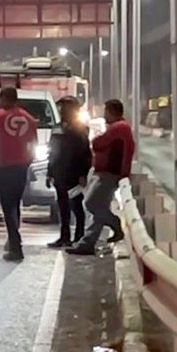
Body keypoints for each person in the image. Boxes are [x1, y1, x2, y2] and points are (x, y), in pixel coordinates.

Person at [67, 99, 135, 256]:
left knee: (91, 203)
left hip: (109, 173)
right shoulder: (119, 128)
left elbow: (98, 143)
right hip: (109, 172)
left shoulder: (119, 128)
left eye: (106, 111)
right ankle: (87, 243)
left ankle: (115, 224)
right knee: (100, 210)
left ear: (112, 112)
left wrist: (123, 172)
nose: (104, 115)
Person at [0, 86, 39, 262]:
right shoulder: (28, 118)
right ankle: (13, 239)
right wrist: (28, 162)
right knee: (15, 203)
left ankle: (16, 245)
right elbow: (33, 144)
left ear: (3, 99)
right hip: (21, 167)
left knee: (7, 207)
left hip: (3, 166)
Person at [46, 96, 90, 248]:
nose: (62, 110)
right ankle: (64, 237)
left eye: (66, 107)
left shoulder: (81, 128)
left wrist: (83, 174)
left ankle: (79, 237)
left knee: (76, 206)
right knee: (62, 206)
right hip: (59, 172)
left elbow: (85, 153)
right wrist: (49, 172)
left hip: (74, 174)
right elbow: (52, 151)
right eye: (61, 107)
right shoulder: (57, 127)